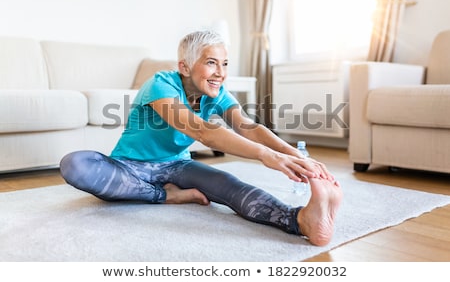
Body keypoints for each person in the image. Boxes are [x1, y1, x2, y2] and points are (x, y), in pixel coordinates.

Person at [60, 30, 342, 247]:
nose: (220, 72)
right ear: (185, 67)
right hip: (130, 166)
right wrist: (266, 155)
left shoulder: (217, 92)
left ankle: (301, 220)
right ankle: (165, 196)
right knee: (76, 164)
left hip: (178, 166)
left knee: (228, 185)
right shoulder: (161, 84)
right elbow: (201, 131)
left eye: (224, 63)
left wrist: (292, 153)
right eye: (210, 63)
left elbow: (247, 126)